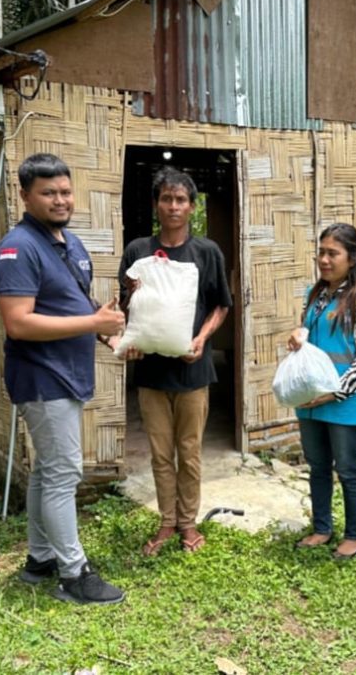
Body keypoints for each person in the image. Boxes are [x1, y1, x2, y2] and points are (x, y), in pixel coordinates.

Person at [0, 153, 126, 605]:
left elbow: (80, 307)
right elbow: (19, 323)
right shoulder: (18, 248)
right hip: (41, 377)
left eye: (65, 191)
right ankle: (73, 573)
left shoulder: (69, 244)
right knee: (64, 472)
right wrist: (93, 326)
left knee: (48, 471)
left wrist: (112, 338)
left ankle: (41, 558)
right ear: (25, 195)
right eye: (48, 193)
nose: (60, 199)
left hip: (68, 375)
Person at [118, 166, 233, 556]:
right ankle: (167, 521)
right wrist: (128, 334)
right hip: (151, 373)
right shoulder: (138, 251)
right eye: (166, 198)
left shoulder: (206, 253)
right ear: (156, 205)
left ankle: (189, 523)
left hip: (193, 371)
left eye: (180, 199)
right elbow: (126, 307)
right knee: (160, 453)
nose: (173, 206)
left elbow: (221, 305)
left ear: (191, 206)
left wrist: (201, 338)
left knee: (190, 452)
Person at [287, 223, 356, 560]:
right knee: (316, 466)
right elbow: (309, 338)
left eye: (333, 253)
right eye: (321, 252)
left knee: (347, 467)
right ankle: (321, 527)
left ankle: (353, 535)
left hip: (344, 400)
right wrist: (297, 336)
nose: (324, 259)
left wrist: (336, 392)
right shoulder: (314, 295)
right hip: (310, 400)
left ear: (352, 257)